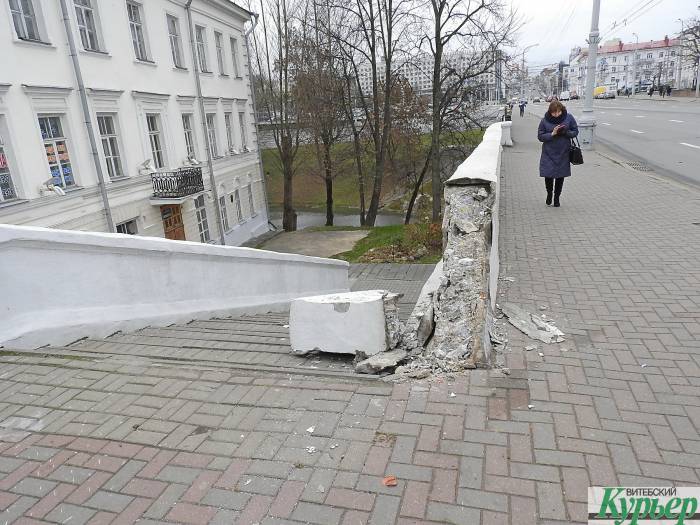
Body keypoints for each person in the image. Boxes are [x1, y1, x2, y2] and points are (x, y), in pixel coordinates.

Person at [537, 100, 579, 208]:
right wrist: (552, 133)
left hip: (563, 152)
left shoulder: (568, 117)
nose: (556, 114)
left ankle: (556, 198)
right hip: (548, 152)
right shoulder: (544, 120)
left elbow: (575, 131)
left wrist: (566, 132)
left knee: (560, 176)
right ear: (550, 111)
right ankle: (549, 194)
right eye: (554, 112)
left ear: (561, 110)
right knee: (548, 175)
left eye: (558, 112)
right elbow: (540, 136)